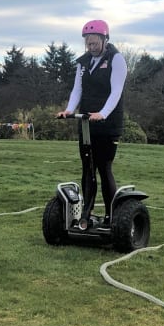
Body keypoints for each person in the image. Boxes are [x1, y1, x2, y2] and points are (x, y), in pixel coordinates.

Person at [58, 19, 128, 230]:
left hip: (108, 123)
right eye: (88, 42)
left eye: (94, 42)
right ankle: (85, 216)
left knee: (104, 168)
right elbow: (77, 89)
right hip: (87, 122)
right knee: (87, 167)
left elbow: (116, 91)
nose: (91, 46)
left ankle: (110, 216)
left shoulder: (116, 59)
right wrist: (69, 110)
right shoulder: (83, 62)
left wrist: (103, 113)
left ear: (104, 39)